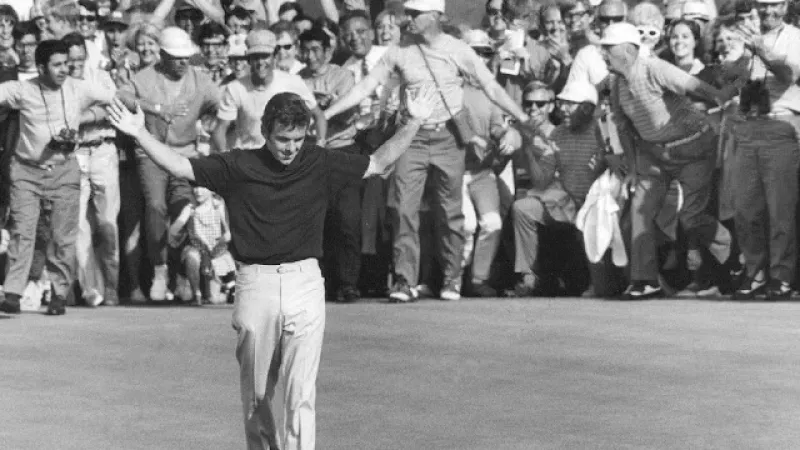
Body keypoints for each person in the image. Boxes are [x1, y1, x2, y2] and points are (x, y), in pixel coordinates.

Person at [105, 85, 437, 449]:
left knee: (301, 393)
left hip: (306, 281)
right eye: (282, 139)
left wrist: (415, 121)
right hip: (255, 284)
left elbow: (379, 162)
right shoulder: (238, 165)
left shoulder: (319, 161)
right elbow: (179, 165)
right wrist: (138, 132)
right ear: (265, 132)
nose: (290, 148)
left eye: (297, 139)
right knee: (258, 396)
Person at [325, 0, 530, 302]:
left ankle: (451, 279)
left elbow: (492, 88)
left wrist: (522, 119)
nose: (407, 19)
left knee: (450, 213)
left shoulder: (458, 49)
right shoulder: (399, 50)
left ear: (435, 17)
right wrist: (327, 114)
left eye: (415, 14)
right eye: (407, 13)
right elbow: (366, 87)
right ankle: (404, 281)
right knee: (403, 209)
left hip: (449, 138)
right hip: (412, 137)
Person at [600, 22, 734, 299]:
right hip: (654, 154)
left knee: (692, 217)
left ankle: (732, 252)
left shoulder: (654, 67)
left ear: (626, 51)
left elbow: (694, 84)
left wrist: (722, 97)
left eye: (607, 49)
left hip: (694, 148)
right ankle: (645, 280)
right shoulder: (616, 83)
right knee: (640, 209)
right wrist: (634, 170)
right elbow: (623, 126)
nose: (603, 54)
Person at [0, 39, 114, 315]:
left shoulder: (79, 87)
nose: (66, 69)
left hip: (64, 170)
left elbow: (113, 97)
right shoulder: (22, 90)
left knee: (62, 234)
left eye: (67, 63)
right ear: (40, 68)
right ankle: (13, 292)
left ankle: (59, 294)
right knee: (22, 231)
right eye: (58, 65)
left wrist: (130, 104)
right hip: (27, 172)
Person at [118, 26, 220, 302]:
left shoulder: (200, 80)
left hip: (185, 154)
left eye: (186, 56)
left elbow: (221, 105)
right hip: (150, 153)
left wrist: (208, 129)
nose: (183, 61)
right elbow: (121, 97)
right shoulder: (144, 79)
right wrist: (156, 108)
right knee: (155, 207)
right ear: (162, 55)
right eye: (176, 56)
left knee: (184, 211)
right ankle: (161, 270)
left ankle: (184, 275)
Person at [730, 0, 800, 300]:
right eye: (764, 5)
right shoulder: (744, 35)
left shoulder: (795, 36)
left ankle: (781, 276)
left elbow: (788, 75)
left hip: (780, 126)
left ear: (786, 6)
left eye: (776, 4)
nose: (770, 10)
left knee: (780, 208)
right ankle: (755, 272)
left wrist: (762, 50)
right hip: (748, 125)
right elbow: (729, 77)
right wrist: (741, 55)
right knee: (746, 208)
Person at [64, 32, 121, 307]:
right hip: (74, 152)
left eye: (79, 58)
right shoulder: (58, 80)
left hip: (102, 149)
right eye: (70, 59)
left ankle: (111, 286)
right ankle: (90, 289)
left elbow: (116, 106)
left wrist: (86, 115)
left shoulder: (99, 76)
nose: (75, 64)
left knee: (107, 224)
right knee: (78, 225)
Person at [212, 29, 324, 153]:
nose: (260, 62)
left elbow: (318, 116)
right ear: (248, 60)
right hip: (250, 155)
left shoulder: (293, 82)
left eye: (265, 56)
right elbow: (220, 129)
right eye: (255, 57)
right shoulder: (235, 88)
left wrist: (320, 145)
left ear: (274, 57)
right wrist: (227, 161)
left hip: (285, 156)